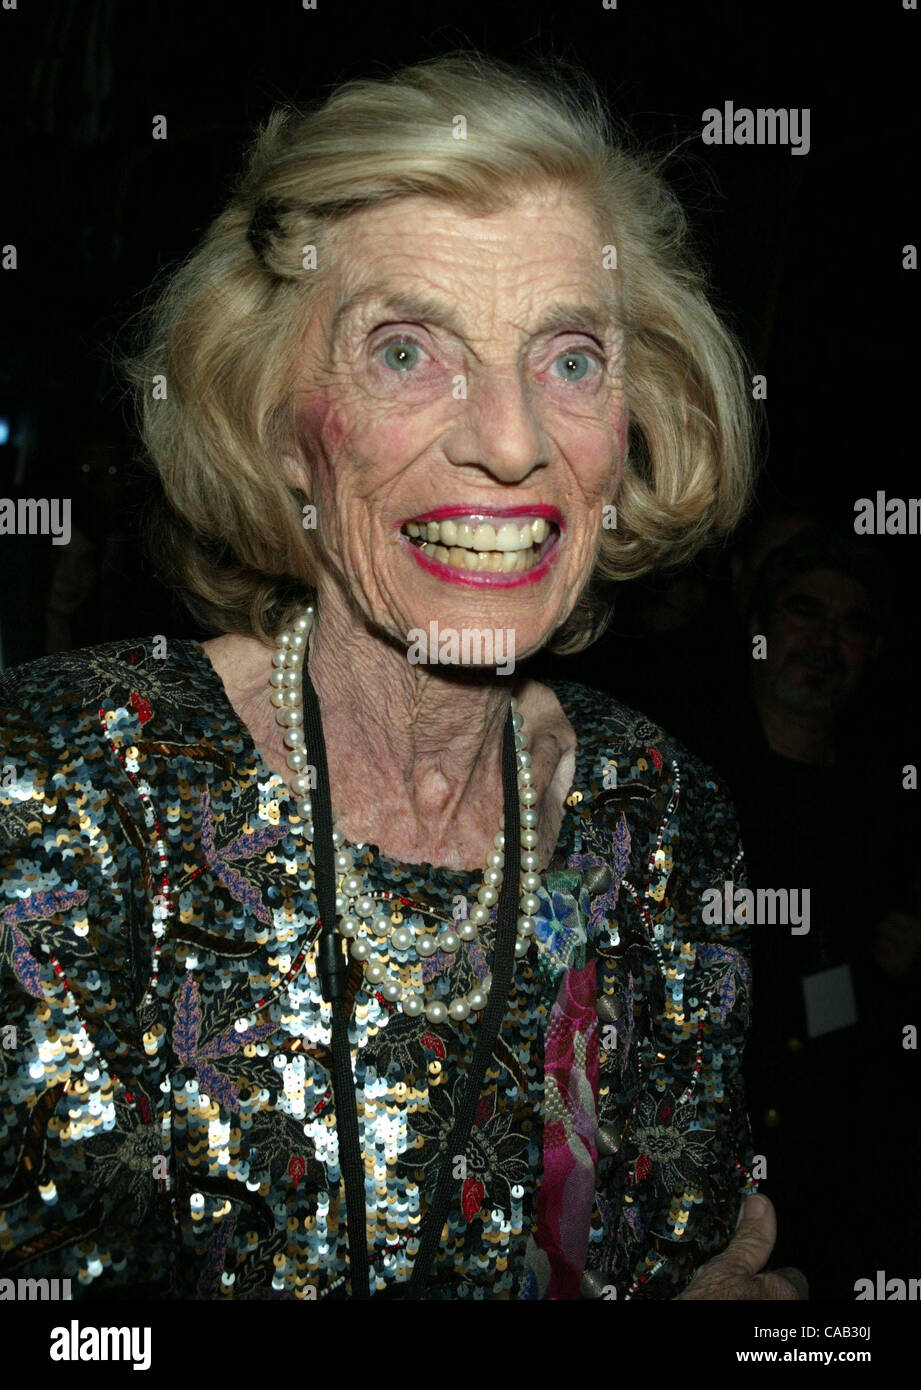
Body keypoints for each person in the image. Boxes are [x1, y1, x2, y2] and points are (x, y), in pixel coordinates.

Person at [0, 52, 804, 1301]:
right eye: (406, 351)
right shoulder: (66, 782)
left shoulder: (666, 817)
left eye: (572, 360)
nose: (511, 439)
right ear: (274, 427)